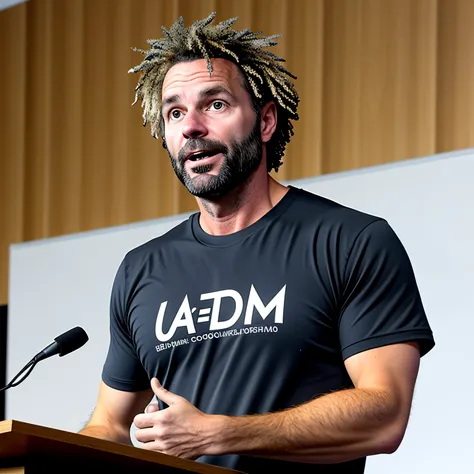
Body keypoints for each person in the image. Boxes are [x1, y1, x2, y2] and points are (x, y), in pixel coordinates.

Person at [79, 12, 435, 473]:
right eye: (174, 112)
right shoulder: (142, 269)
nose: (191, 126)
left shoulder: (351, 241)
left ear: (265, 121)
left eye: (215, 104)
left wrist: (217, 432)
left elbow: (385, 416)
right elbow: (108, 424)